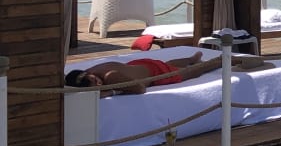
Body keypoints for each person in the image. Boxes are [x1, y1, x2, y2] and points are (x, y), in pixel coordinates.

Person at [64, 52, 268, 96]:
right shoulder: (91, 71)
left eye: (95, 82)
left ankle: (225, 59)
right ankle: (191, 57)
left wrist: (111, 92)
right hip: (140, 65)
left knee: (192, 72)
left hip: (154, 74)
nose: (98, 83)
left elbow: (140, 89)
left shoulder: (110, 77)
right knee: (168, 64)